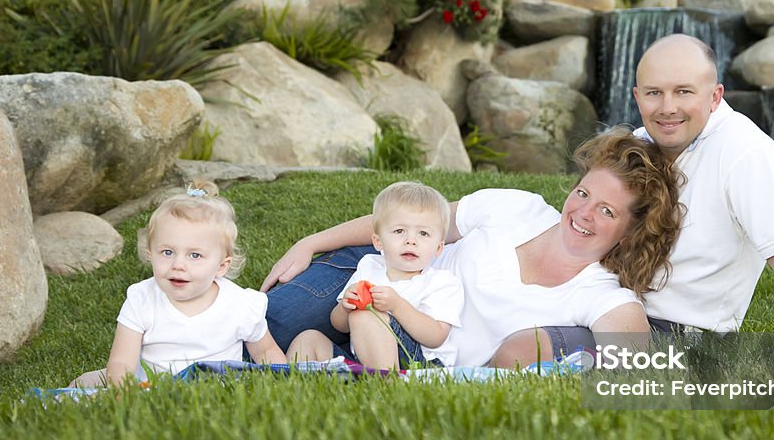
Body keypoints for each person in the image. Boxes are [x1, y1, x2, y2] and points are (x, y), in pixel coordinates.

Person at [261, 128, 683, 367]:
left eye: (608, 212)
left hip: (419, 355)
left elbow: (634, 357)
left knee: (288, 348)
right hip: (378, 271)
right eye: (584, 193)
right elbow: (414, 222)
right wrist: (310, 242)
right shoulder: (518, 208)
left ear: (629, 232)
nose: (584, 213)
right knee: (268, 326)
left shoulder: (600, 293)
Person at [630, 33, 774, 333]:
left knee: (549, 344)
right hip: (609, 308)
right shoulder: (637, 143)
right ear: (636, 96)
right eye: (654, 93)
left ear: (715, 96)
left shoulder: (746, 155)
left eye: (683, 91)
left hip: (677, 336)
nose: (668, 107)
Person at [70, 182, 286, 388]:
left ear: (221, 266)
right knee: (84, 384)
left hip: (218, 390)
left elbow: (266, 351)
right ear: (150, 255)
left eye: (195, 255)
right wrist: (125, 394)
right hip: (151, 388)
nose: (178, 265)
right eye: (167, 252)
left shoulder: (240, 304)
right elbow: (121, 362)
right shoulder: (142, 299)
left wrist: (282, 384)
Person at [286, 181, 464, 370]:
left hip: (419, 362)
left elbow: (436, 337)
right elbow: (340, 326)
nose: (411, 240)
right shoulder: (369, 266)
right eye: (399, 231)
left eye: (423, 233)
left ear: (438, 248)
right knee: (308, 339)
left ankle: (387, 385)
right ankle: (288, 386)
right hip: (365, 360)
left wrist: (397, 306)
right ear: (378, 242)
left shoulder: (441, 282)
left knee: (365, 315)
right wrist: (346, 307)